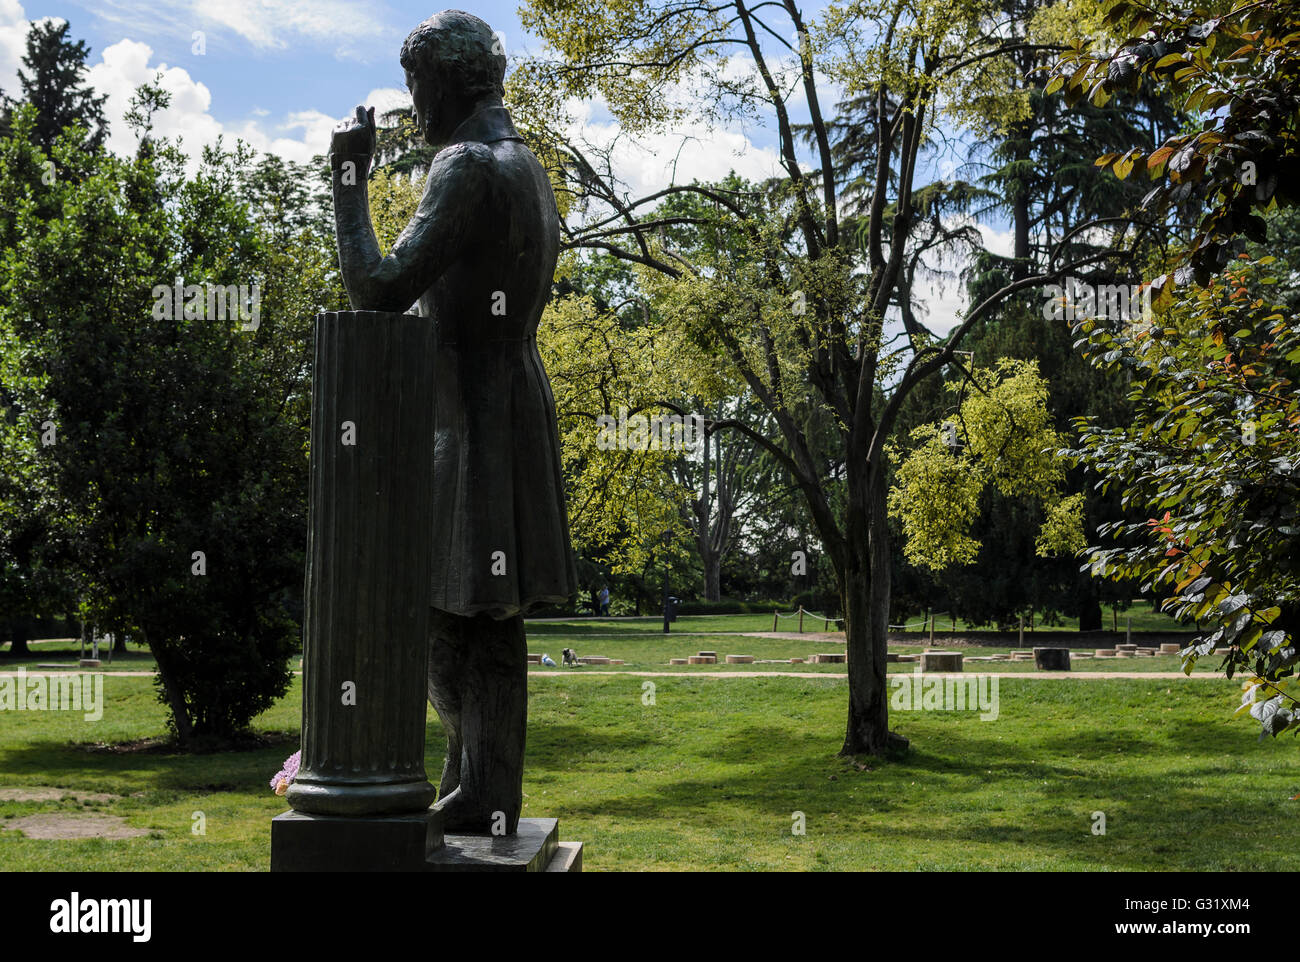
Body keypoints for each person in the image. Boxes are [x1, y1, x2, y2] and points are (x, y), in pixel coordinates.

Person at [328, 10, 577, 834]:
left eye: (415, 83)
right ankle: (479, 785)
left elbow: (379, 287)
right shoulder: (529, 166)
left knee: (444, 615)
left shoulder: (466, 165)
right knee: (484, 618)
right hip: (509, 401)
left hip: (471, 418)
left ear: (446, 81)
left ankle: (483, 787)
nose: (412, 100)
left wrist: (348, 181)